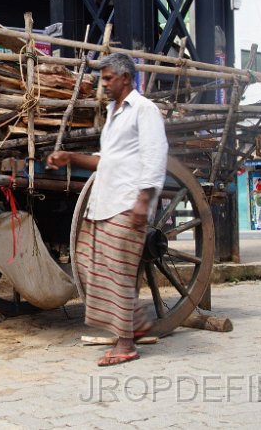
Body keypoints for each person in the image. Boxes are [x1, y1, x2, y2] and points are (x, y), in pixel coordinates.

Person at [46, 52, 168, 366]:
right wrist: (70, 158)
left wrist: (143, 202)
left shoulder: (144, 110)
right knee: (88, 262)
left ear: (125, 78)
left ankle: (126, 344)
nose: (105, 84)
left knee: (119, 272)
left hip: (129, 202)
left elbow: (156, 158)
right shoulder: (114, 113)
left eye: (108, 78)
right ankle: (136, 324)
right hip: (105, 201)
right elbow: (105, 161)